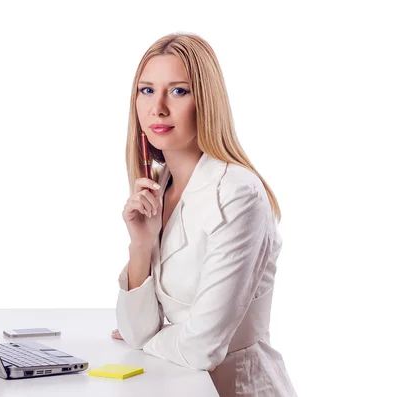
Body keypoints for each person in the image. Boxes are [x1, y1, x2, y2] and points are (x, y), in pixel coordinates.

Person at [112, 33, 298, 397]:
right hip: (178, 384)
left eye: (178, 91)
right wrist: (141, 243)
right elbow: (135, 331)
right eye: (147, 90)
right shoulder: (161, 184)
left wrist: (152, 336)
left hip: (237, 387)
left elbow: (201, 348)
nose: (158, 108)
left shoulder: (237, 193)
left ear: (207, 102)